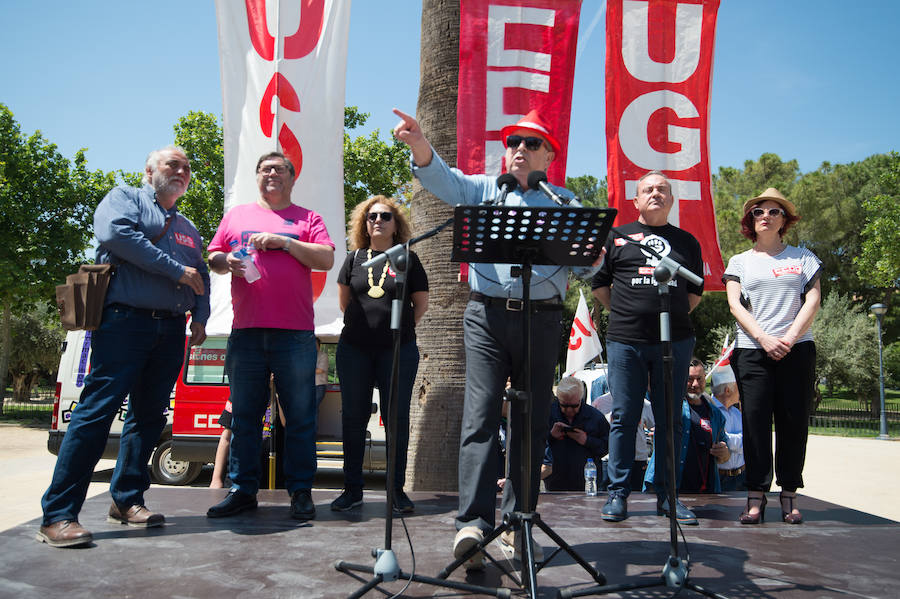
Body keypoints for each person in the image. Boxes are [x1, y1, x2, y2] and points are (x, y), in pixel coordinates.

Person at [393, 107, 602, 567]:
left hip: (543, 319)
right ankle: (472, 526)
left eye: (530, 143)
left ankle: (520, 522)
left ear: (549, 154)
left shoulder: (566, 203)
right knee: (480, 418)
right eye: (513, 143)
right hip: (484, 317)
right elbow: (441, 180)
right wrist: (418, 142)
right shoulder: (486, 190)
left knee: (529, 424)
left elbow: (588, 269)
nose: (519, 150)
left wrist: (597, 256)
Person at [38, 146, 209, 548]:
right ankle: (59, 514)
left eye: (186, 167)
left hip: (171, 330)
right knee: (96, 414)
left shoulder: (187, 225)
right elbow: (116, 234)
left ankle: (127, 501)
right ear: (150, 170)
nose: (182, 171)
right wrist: (175, 271)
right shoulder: (124, 198)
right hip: (123, 323)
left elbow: (200, 273)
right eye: (173, 164)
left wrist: (200, 315)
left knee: (148, 418)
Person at [206, 151, 335, 521]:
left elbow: (325, 259)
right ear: (257, 177)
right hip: (246, 333)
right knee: (245, 418)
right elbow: (213, 256)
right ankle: (243, 491)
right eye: (265, 169)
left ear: (292, 179)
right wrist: (224, 261)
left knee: (299, 418)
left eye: (279, 169)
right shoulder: (236, 216)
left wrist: (285, 243)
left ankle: (300, 493)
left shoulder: (308, 218)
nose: (272, 174)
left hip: (295, 334)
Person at [591, 170, 704, 525]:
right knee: (624, 416)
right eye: (648, 190)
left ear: (671, 200)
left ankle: (667, 497)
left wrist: (666, 316)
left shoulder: (687, 241)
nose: (655, 194)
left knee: (672, 419)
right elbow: (600, 287)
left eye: (662, 190)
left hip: (674, 343)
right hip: (626, 342)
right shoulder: (616, 237)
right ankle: (618, 494)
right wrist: (629, 315)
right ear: (636, 200)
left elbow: (695, 294)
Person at [723, 188, 821, 524]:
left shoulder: (803, 258)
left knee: (793, 422)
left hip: (797, 350)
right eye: (758, 211)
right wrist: (764, 339)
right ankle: (755, 494)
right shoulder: (740, 261)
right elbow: (735, 304)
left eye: (773, 211)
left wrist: (790, 339)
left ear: (785, 220)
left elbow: (813, 301)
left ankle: (790, 494)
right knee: (754, 422)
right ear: (750, 221)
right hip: (753, 351)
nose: (765, 216)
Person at [330, 196, 429, 513]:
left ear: (396, 223)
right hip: (354, 350)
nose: (378, 220)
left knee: (397, 420)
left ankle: (396, 491)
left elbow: (421, 305)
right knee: (353, 419)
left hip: (397, 351)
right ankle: (352, 489)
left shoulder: (409, 260)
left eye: (386, 216)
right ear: (363, 222)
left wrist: (394, 331)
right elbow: (345, 304)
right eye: (372, 216)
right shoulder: (354, 258)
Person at [645, 359, 727, 494]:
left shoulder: (715, 413)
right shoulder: (671, 406)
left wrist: (724, 452)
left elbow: (724, 452)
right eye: (689, 379)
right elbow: (651, 385)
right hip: (671, 491)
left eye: (699, 379)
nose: (695, 384)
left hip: (707, 492)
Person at [543, 377, 610, 491]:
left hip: (587, 484)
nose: (569, 410)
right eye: (564, 405)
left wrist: (586, 440)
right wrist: (551, 436)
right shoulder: (548, 415)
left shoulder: (595, 417)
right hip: (555, 484)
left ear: (581, 399)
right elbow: (534, 446)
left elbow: (608, 447)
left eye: (574, 406)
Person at [592, 390, 654, 492]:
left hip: (637, 458)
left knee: (636, 496)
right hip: (609, 459)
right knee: (607, 494)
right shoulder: (600, 402)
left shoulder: (643, 404)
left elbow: (655, 424)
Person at [709, 364, 746, 492]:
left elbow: (750, 441)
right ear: (727, 390)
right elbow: (717, 440)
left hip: (742, 477)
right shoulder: (709, 410)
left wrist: (729, 439)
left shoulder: (737, 414)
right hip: (719, 479)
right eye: (738, 386)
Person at [315, 339, 328, 409]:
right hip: (308, 386)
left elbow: (320, 370)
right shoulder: (306, 356)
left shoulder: (323, 356)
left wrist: (305, 369)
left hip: (319, 386)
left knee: (313, 408)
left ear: (318, 346)